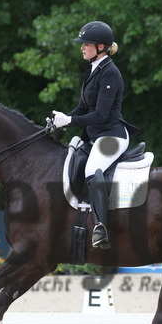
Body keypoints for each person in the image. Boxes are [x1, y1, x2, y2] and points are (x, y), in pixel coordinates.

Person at [52, 21, 138, 250]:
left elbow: (100, 115)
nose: (81, 48)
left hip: (112, 135)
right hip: (95, 136)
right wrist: (60, 121)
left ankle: (101, 226)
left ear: (101, 47)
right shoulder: (92, 69)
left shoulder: (110, 73)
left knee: (92, 170)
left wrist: (70, 121)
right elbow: (82, 108)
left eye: (85, 44)